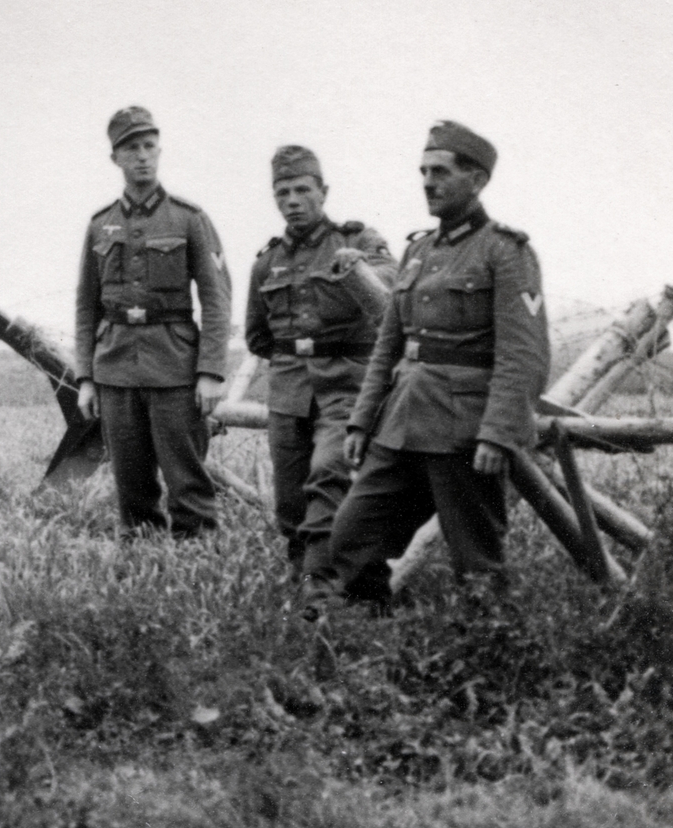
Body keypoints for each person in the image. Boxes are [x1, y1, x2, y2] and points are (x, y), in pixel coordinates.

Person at [307, 120, 550, 607]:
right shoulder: (418, 251)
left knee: (476, 562)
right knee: (350, 537)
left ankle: (494, 662)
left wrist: (499, 432)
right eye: (422, 171)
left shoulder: (506, 251)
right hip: (400, 423)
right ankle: (387, 636)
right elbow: (389, 345)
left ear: (477, 180)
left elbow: (524, 354)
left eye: (440, 171)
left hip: (464, 432)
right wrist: (361, 420)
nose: (427, 182)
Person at [75, 105, 232, 537]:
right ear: (116, 158)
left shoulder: (189, 218)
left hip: (174, 364)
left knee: (186, 472)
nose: (142, 156)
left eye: (149, 146)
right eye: (131, 149)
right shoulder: (99, 225)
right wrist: (86, 377)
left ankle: (197, 553)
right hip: (115, 366)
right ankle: (142, 551)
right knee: (130, 478)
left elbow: (217, 300)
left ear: (159, 150)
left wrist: (210, 371)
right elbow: (86, 306)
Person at [245, 145, 396, 577]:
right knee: (291, 497)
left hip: (347, 384)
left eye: (301, 190)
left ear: (323, 191)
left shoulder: (358, 240)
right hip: (289, 390)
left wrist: (359, 268)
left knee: (329, 474)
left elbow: (391, 283)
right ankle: (300, 577)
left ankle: (326, 590)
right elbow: (258, 335)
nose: (292, 201)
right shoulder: (266, 262)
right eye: (282, 193)